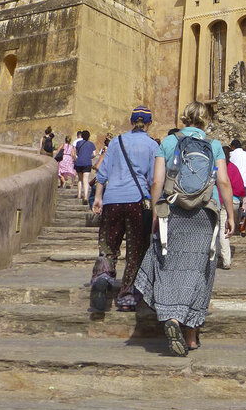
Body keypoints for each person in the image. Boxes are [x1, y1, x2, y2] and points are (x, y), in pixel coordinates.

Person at [136, 101, 234, 356]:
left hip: (173, 211)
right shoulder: (214, 146)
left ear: (185, 118)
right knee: (202, 270)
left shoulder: (168, 142)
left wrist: (157, 212)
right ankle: (190, 336)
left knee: (168, 265)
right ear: (205, 121)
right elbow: (223, 181)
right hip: (205, 213)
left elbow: (157, 180)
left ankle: (172, 317)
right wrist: (230, 215)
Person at [91, 108, 156, 311]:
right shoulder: (153, 145)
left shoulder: (117, 142)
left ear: (130, 121)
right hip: (137, 201)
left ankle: (103, 275)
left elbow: (103, 172)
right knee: (135, 250)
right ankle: (126, 295)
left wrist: (99, 197)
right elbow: (154, 180)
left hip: (112, 200)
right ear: (149, 123)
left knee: (109, 245)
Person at [216, 156, 246, 270]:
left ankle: (226, 260)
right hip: (235, 202)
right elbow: (240, 186)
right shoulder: (233, 168)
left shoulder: (218, 167)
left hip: (223, 201)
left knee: (223, 230)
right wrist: (244, 202)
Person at [228, 139, 246, 227]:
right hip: (245, 184)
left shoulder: (231, 154)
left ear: (232, 147)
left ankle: (230, 225)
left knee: (231, 204)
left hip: (234, 183)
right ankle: (243, 227)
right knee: (244, 205)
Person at [74, 130, 96, 203]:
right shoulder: (91, 144)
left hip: (79, 162)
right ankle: (86, 196)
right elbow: (94, 154)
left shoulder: (78, 143)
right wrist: (89, 157)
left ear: (82, 136)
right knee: (85, 179)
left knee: (80, 180)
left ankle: (79, 195)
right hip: (87, 162)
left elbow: (76, 152)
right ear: (89, 136)